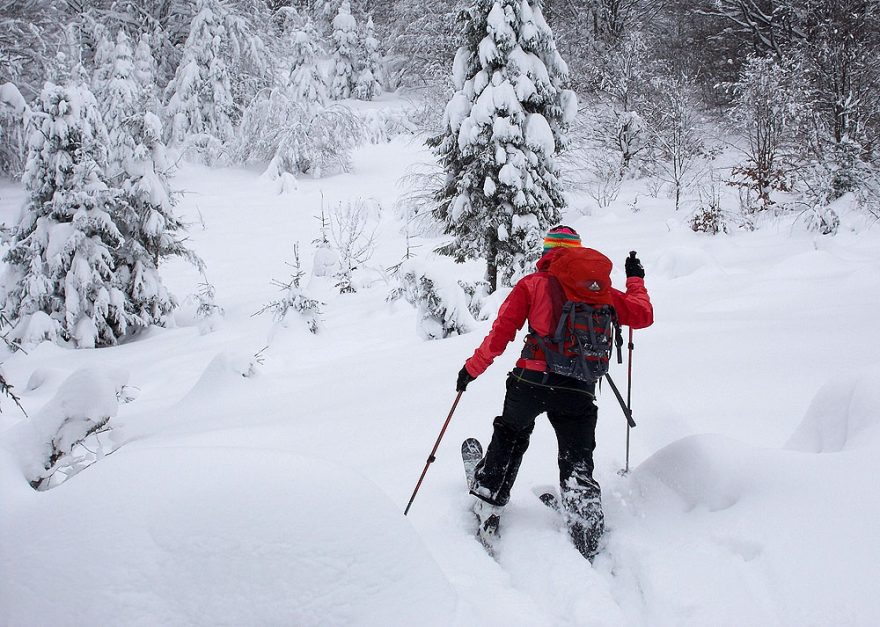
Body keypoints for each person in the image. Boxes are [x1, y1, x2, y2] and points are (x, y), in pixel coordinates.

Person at [455, 225, 654, 559]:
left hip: (531, 381)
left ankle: (489, 497)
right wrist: (635, 279)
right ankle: (583, 509)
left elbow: (500, 334)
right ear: (578, 252)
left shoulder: (532, 284)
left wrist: (471, 370)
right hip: (578, 385)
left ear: (546, 252)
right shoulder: (597, 290)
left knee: (511, 435)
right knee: (577, 454)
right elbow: (643, 314)